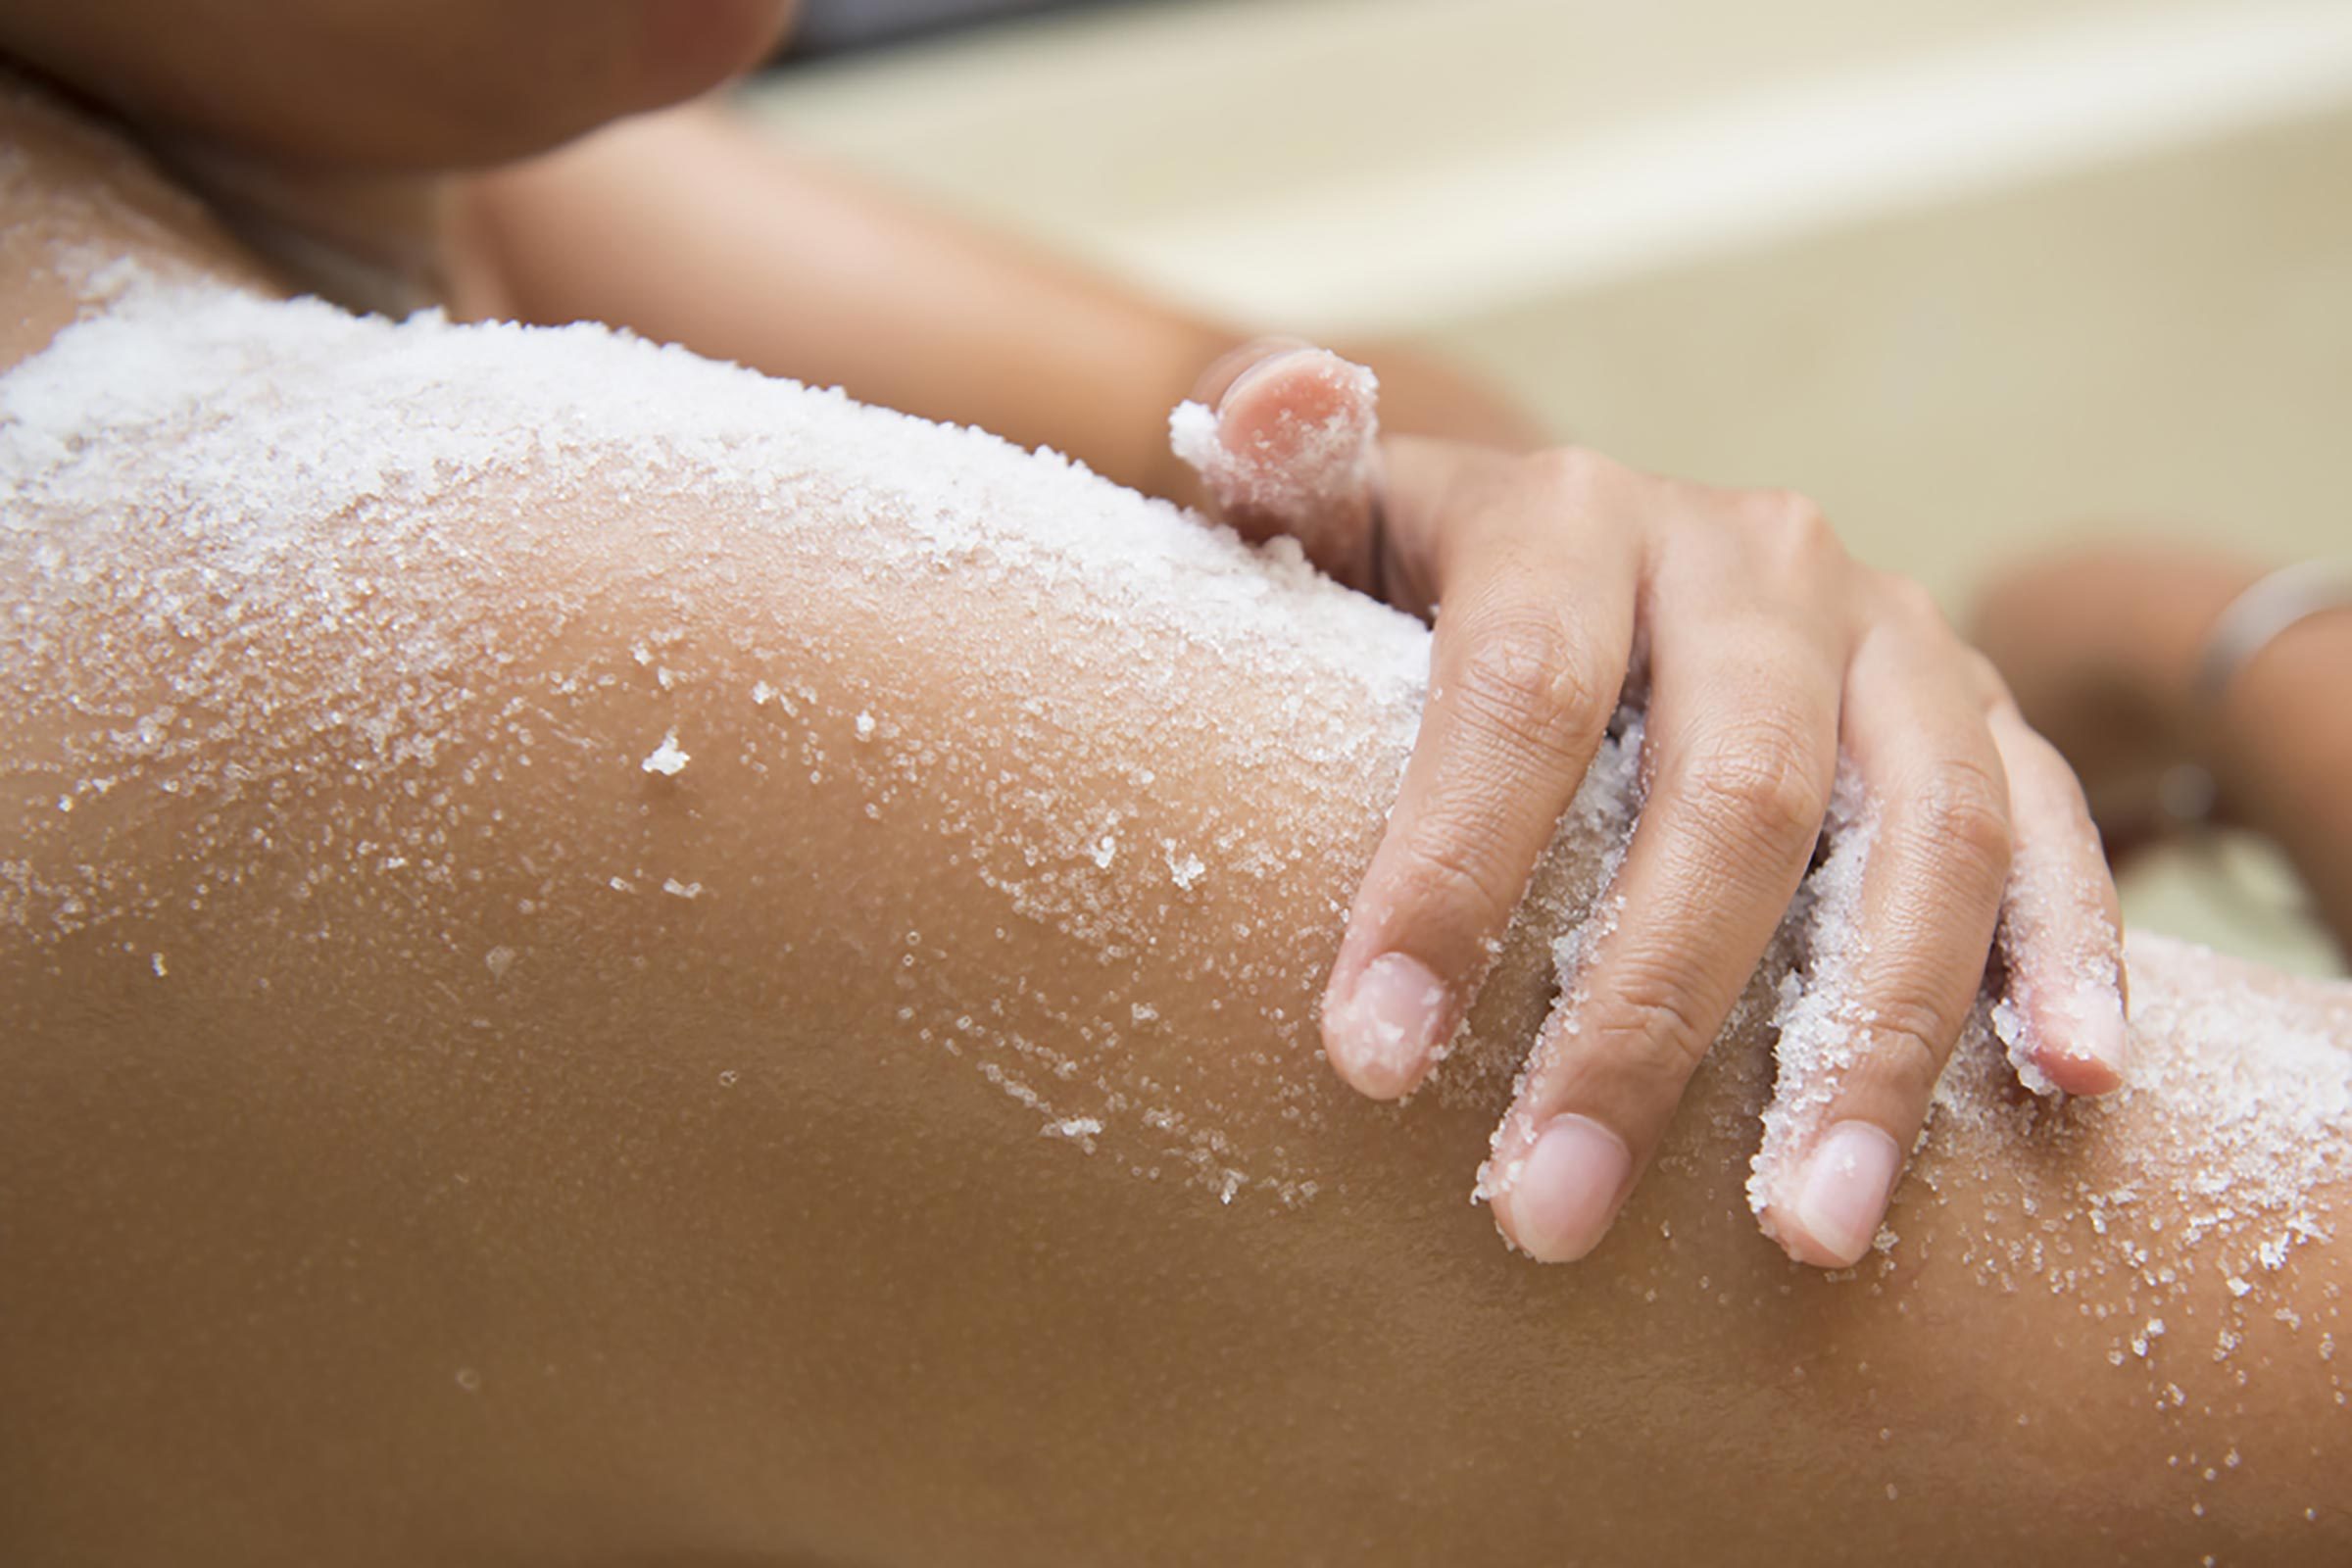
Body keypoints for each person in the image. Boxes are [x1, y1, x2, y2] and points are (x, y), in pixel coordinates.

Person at [2, 3, 2342, 1562]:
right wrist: (2220, 637)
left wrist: (1455, 489)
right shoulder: (482, 643)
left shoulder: (339, 154)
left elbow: (1334, 396)